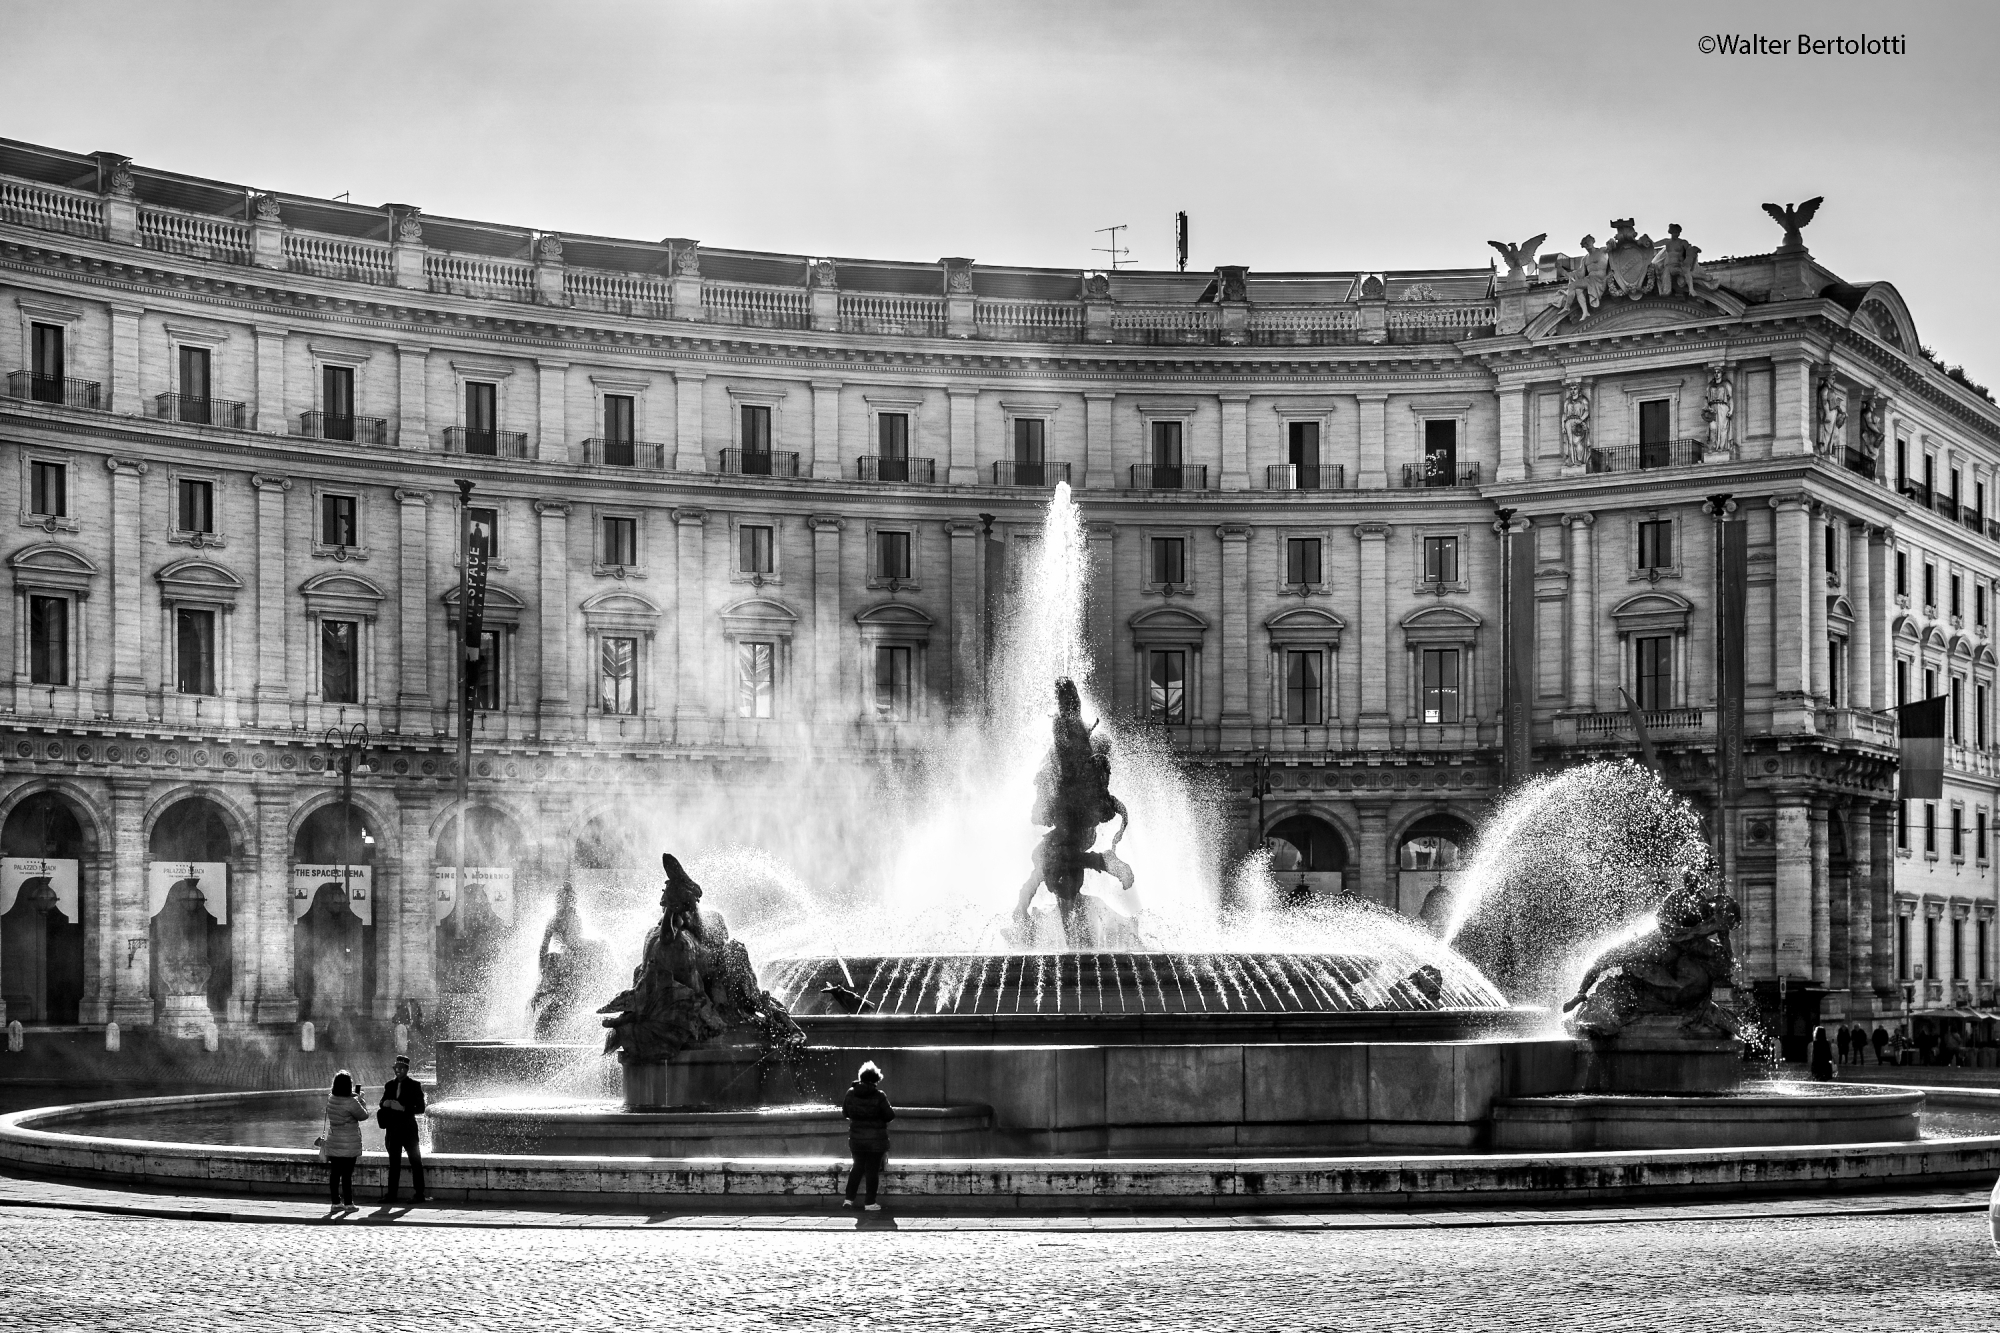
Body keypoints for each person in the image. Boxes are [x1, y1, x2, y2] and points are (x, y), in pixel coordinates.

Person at [840, 1060, 896, 1212]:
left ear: (861, 1077)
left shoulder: (850, 1093)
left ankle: (848, 1200)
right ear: (876, 1080)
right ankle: (870, 1203)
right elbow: (890, 1115)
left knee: (857, 1167)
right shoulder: (879, 1095)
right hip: (876, 1141)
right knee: (872, 1170)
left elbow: (845, 1113)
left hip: (857, 1140)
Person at [378, 1054, 429, 1205]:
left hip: (408, 1130)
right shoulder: (389, 1085)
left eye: (401, 1068)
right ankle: (391, 1195)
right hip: (393, 1130)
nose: (398, 1071)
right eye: (396, 1068)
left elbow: (421, 1108)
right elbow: (381, 1102)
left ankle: (419, 1194)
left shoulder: (414, 1085)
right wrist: (385, 1103)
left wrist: (404, 1108)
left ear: (407, 1069)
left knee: (416, 1162)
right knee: (394, 1164)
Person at [323, 1070, 368, 1210]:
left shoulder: (331, 1099)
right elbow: (363, 1115)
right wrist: (360, 1100)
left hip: (334, 1140)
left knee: (335, 1173)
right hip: (348, 1143)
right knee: (347, 1174)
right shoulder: (351, 1102)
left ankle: (335, 1202)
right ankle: (349, 1203)